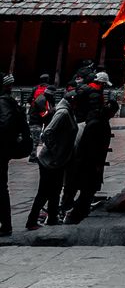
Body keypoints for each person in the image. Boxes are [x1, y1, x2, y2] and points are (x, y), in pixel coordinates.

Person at [63, 82, 116, 223]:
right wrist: (97, 163)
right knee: (86, 189)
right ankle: (74, 214)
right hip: (88, 162)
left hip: (84, 161)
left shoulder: (94, 120)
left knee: (79, 188)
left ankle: (72, 210)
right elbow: (91, 146)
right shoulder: (97, 124)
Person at [26, 89, 76, 230]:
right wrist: (54, 151)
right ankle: (32, 220)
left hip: (58, 160)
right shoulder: (63, 112)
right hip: (50, 160)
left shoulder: (66, 110)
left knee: (55, 189)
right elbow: (48, 132)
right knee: (45, 191)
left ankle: (52, 217)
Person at [1, 73, 31, 236]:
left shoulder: (3, 103)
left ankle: (5, 225)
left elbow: (4, 125)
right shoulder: (10, 102)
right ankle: (5, 224)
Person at [27, 75, 53, 162]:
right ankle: (33, 157)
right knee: (37, 138)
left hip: (35, 115)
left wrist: (34, 105)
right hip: (42, 116)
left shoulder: (35, 88)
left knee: (35, 137)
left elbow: (29, 99)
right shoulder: (48, 90)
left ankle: (34, 155)